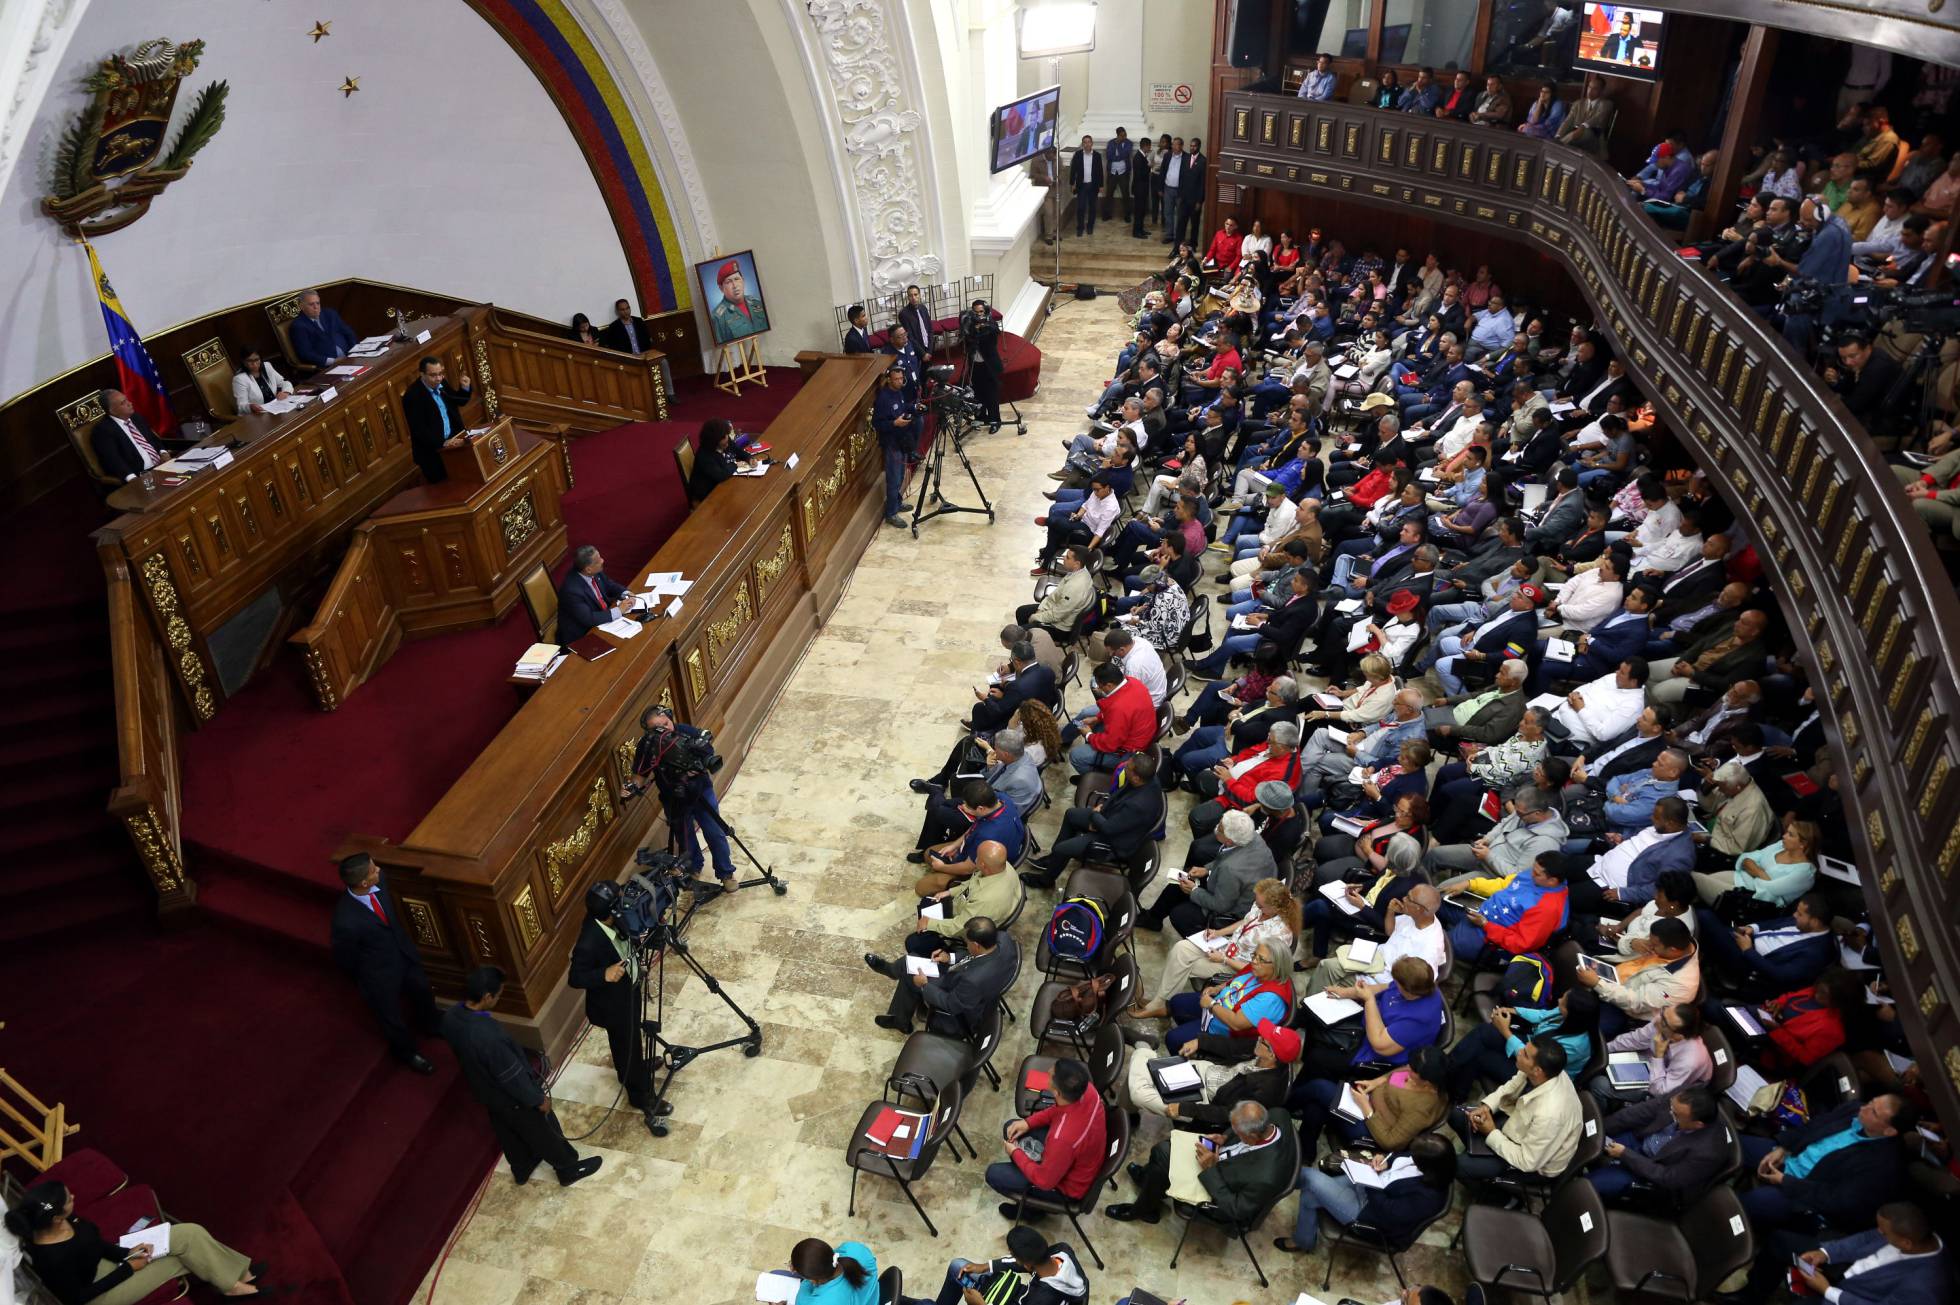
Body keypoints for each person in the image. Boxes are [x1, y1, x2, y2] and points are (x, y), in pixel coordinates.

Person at [443, 965, 601, 1186]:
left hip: (486, 1092)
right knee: (542, 1128)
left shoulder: (451, 1016)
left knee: (506, 1130)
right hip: (512, 1097)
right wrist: (537, 1100)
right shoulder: (487, 1036)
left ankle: (522, 1166)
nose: (499, 999)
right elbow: (511, 1076)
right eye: (498, 995)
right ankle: (567, 1168)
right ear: (487, 996)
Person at [5, 1180, 262, 1303]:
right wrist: (129, 1267)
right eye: (68, 1199)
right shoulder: (51, 1258)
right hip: (97, 1297)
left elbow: (95, 1244)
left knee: (189, 1233)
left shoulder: (63, 1221)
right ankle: (232, 1284)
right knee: (180, 1257)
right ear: (58, 1216)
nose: (73, 1195)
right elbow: (77, 1298)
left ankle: (237, 1275)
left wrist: (126, 1252)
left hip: (102, 1266)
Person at [331, 852, 440, 1073]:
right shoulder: (345, 921)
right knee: (391, 1017)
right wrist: (366, 978)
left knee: (422, 990)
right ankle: (408, 1053)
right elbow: (345, 957)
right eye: (374, 869)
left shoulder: (383, 880)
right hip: (378, 974)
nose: (379, 870)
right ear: (364, 882)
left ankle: (432, 1026)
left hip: (404, 955)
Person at [1107, 1101, 1295, 1225]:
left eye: (1237, 1133)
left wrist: (1211, 1170)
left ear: (1252, 1136)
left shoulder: (1266, 1176)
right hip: (1222, 1159)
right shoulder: (1277, 1115)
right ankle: (1150, 1186)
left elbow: (1234, 1210)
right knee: (1165, 1152)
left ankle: (1142, 1208)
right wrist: (1225, 1137)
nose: (1233, 1132)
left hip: (1220, 1189)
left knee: (1162, 1154)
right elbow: (1238, 1129)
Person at [1274, 1129, 1456, 1256]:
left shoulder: (1428, 1197)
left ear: (1427, 1166)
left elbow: (1388, 1212)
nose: (1411, 1158)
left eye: (1415, 1158)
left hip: (1370, 1215)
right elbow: (1398, 1155)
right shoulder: (1426, 1159)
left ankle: (1269, 1183)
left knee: (1309, 1177)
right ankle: (1303, 1240)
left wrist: (1372, 1182)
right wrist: (1384, 1161)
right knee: (1309, 1195)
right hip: (1368, 1185)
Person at [625, 703, 736, 884]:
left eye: (666, 724)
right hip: (674, 799)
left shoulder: (685, 732)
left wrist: (696, 765)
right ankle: (694, 867)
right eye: (657, 728)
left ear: (670, 719)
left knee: (714, 831)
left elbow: (708, 752)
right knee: (685, 838)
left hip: (700, 792)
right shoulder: (647, 745)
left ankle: (726, 873)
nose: (664, 730)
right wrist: (631, 786)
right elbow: (640, 773)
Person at [1453, 1035, 1582, 1184]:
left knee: (1457, 1166)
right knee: (1456, 1115)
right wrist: (1486, 1107)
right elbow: (1512, 1085)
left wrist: (1490, 1133)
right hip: (1518, 1126)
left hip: (1532, 1165)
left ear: (1537, 1071)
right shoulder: (1544, 1072)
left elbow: (1527, 1162)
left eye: (1525, 1054)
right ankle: (1477, 1150)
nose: (1519, 1051)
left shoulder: (1550, 1114)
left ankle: (1497, 1197)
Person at [1125, 1015, 1301, 1123]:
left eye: (1264, 1040)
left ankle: (1143, 1047)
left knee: (1139, 1091)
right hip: (1207, 1071)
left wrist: (1185, 1109)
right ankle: (1125, 1113)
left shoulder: (1266, 1090)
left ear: (1272, 1056)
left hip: (1206, 1100)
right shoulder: (1261, 1049)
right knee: (1144, 1075)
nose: (1260, 1037)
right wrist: (1200, 1042)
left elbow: (1229, 1114)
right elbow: (1232, 1046)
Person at [568, 879, 650, 1110]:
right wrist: (603, 974)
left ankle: (636, 1068)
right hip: (613, 1005)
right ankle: (638, 1094)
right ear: (612, 910)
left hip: (628, 989)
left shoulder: (615, 919)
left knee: (633, 1037)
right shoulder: (588, 942)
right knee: (626, 1044)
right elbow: (575, 978)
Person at [989, 1058, 1108, 1216]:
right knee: (1011, 1127)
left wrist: (1015, 1153)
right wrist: (1028, 1122)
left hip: (1065, 1190)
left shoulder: (1062, 1139)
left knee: (993, 1174)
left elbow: (1044, 1181)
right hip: (1081, 1158)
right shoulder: (1088, 1090)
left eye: (1050, 1075)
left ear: (1057, 1093)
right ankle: (1027, 1177)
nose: (1047, 1073)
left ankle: (1032, 1211)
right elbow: (1059, 1110)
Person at [865, 915, 1018, 1036]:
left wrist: (924, 985)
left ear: (976, 945)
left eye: (967, 942)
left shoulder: (973, 980)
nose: (966, 944)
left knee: (910, 972)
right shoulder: (1003, 939)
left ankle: (893, 980)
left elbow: (951, 1004)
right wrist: (949, 958)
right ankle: (899, 1009)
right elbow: (972, 956)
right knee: (911, 962)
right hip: (963, 977)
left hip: (957, 999)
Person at [1586, 1086, 1727, 1203]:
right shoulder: (1682, 1097)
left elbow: (1667, 1177)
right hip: (1639, 1139)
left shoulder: (1709, 1153)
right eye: (1672, 1108)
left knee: (1589, 1185)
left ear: (1697, 1125)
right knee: (1588, 1140)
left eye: (1676, 1115)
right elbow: (1640, 1111)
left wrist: (1625, 1154)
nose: (1671, 1113)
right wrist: (1601, 1128)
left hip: (1651, 1168)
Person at [1789, 1203, 1948, 1305]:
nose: (1878, 1232)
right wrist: (1824, 1253)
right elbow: (1865, 1239)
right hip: (1842, 1265)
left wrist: (1827, 1291)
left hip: (1850, 1296)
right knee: (1781, 1241)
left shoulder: (1923, 1288)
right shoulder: (1909, 1232)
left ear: (1906, 1243)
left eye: (1884, 1233)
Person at [907, 1227, 1089, 1305]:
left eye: (1014, 1256)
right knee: (958, 1266)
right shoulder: (1061, 1252)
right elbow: (1026, 1263)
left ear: (1026, 1264)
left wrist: (979, 1304)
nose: (1012, 1258)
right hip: (1021, 1296)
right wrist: (986, 1266)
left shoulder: (1041, 1300)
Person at [400, 354, 474, 483]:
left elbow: (458, 401)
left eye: (440, 374)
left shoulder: (441, 383)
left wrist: (465, 388)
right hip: (433, 454)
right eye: (433, 375)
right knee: (445, 489)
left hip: (454, 444)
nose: (438, 378)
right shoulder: (413, 396)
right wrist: (442, 443)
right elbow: (419, 430)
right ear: (422, 374)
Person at [89, 388, 176, 482]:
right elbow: (113, 460)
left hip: (163, 465)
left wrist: (163, 452)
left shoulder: (136, 417)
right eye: (123, 403)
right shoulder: (102, 431)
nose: (130, 403)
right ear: (112, 411)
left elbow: (154, 439)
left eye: (127, 399)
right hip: (142, 475)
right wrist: (134, 480)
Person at [555, 544, 627, 645]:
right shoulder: (572, 591)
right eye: (598, 560)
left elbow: (609, 585)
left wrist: (626, 593)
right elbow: (588, 619)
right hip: (583, 635)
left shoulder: (593, 571)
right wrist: (619, 610)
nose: (602, 560)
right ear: (588, 569)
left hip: (603, 620)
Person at [872, 365, 916, 529]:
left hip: (901, 440)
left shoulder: (898, 392)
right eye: (896, 379)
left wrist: (913, 408)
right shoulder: (883, 398)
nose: (899, 382)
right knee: (893, 478)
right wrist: (894, 423)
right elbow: (877, 423)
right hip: (891, 444)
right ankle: (891, 513)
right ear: (889, 379)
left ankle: (897, 503)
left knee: (900, 476)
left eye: (901, 379)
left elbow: (903, 407)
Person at [785, 1237, 878, 1305]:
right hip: (872, 1298)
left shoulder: (808, 1300)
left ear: (813, 1280)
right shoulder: (854, 1249)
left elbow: (803, 1294)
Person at [686, 416, 751, 502]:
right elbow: (721, 475)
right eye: (724, 439)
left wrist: (749, 458)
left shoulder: (725, 440)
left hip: (723, 483)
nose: (727, 442)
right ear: (714, 441)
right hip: (708, 492)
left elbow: (738, 450)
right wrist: (735, 464)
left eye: (727, 436)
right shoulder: (704, 455)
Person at [288, 288, 356, 367]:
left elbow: (348, 333)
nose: (316, 307)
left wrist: (355, 350)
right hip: (330, 366)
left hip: (350, 356)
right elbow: (306, 354)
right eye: (311, 304)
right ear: (301, 306)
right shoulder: (298, 326)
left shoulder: (330, 314)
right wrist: (332, 361)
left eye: (318, 303)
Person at [963, 299, 1004, 429]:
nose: (979, 315)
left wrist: (982, 327)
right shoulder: (969, 325)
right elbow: (967, 340)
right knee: (978, 393)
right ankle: (980, 418)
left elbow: (993, 333)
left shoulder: (990, 325)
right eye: (976, 313)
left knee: (991, 395)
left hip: (989, 366)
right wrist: (973, 329)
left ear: (985, 312)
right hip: (975, 365)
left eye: (981, 312)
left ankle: (994, 421)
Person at [708, 260, 769, 343]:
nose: (735, 285)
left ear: (743, 280)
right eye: (729, 282)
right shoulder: (717, 317)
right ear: (721, 288)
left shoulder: (757, 303)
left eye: (737, 279)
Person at [231, 349, 293, 415]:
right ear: (243, 362)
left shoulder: (267, 366)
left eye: (257, 360)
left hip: (276, 409)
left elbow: (284, 382)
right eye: (249, 361)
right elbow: (241, 406)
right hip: (257, 416)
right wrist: (250, 407)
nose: (254, 364)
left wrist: (285, 392)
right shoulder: (239, 379)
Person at [1069, 135, 1103, 237]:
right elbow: (1073, 170)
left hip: (1093, 185)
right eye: (1085, 142)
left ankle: (1090, 226)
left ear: (1092, 143)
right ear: (1082, 144)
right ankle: (1080, 227)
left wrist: (1101, 185)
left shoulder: (1097, 155)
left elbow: (1100, 172)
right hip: (1082, 185)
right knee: (1081, 207)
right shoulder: (1078, 155)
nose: (1087, 144)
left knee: (1092, 207)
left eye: (1089, 142)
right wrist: (1072, 183)